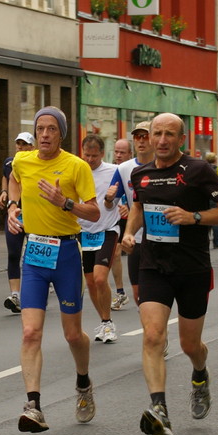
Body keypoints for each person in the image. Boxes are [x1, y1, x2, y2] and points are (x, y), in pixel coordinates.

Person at [120, 113, 218, 435]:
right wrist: (130, 234)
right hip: (154, 264)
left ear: (181, 139)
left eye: (169, 134)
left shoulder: (198, 170)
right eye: (157, 133)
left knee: (189, 345)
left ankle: (200, 373)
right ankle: (160, 410)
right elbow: (140, 209)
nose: (161, 139)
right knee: (153, 336)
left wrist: (194, 216)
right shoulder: (141, 173)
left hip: (192, 268)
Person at [5, 106, 99, 432]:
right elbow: (14, 181)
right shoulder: (22, 160)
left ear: (61, 134)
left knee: (73, 334)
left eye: (51, 129)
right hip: (34, 254)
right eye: (40, 129)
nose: (44, 135)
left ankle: (84, 383)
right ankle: (34, 406)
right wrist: (13, 206)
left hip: (67, 254)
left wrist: (65, 203)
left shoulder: (76, 166)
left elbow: (95, 213)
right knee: (31, 332)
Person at [77, 134, 121, 343]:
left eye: (94, 156)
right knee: (91, 282)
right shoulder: (77, 170)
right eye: (86, 155)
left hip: (107, 230)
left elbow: (113, 205)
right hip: (84, 232)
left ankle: (108, 322)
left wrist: (111, 200)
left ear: (102, 154)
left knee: (101, 277)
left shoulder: (113, 172)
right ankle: (104, 322)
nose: (90, 159)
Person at [110, 121, 154, 306]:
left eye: (145, 136)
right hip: (135, 238)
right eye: (137, 137)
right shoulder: (124, 169)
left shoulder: (164, 166)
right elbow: (110, 200)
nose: (141, 141)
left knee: (155, 293)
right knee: (137, 295)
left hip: (159, 239)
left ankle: (156, 330)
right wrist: (109, 198)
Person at [0, 132, 35, 313]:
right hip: (15, 214)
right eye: (18, 143)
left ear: (32, 147)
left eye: (24, 144)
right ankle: (15, 295)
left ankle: (35, 289)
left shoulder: (37, 164)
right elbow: (6, 176)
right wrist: (4, 191)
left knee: (32, 255)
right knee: (13, 253)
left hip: (35, 215)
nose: (20, 147)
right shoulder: (9, 162)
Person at [109, 138, 132, 310]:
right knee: (115, 253)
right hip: (116, 219)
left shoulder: (134, 169)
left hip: (135, 220)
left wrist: (130, 211)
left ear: (130, 154)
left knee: (135, 254)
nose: (118, 155)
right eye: (116, 151)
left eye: (122, 152)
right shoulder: (110, 170)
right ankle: (121, 292)